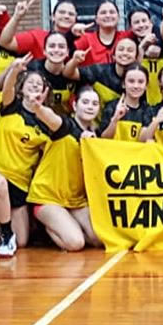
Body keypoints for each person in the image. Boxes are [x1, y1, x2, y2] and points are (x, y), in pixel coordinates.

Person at [0, 59, 60, 258]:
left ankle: (1, 226)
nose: (34, 86)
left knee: (22, 240)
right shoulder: (10, 106)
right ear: (21, 88)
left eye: (38, 84)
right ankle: (6, 236)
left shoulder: (46, 121)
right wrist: (15, 70)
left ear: (44, 92)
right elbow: (6, 88)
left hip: (21, 182)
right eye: (29, 83)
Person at [28, 84, 104, 251]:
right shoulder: (65, 126)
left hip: (74, 200)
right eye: (85, 102)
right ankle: (47, 228)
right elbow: (51, 118)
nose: (90, 107)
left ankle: (66, 221)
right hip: (48, 196)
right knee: (76, 243)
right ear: (75, 105)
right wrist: (39, 108)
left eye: (94, 104)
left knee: (99, 238)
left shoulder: (94, 135)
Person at [67, 35, 141, 107]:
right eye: (121, 49)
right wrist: (74, 61)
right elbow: (69, 74)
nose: (125, 53)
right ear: (113, 56)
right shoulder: (99, 71)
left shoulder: (140, 77)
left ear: (136, 57)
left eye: (130, 50)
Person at [0, 0, 82, 59]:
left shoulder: (85, 41)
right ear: (53, 16)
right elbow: (5, 42)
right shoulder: (37, 37)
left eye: (71, 14)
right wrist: (17, 17)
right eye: (62, 12)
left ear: (76, 19)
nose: (66, 16)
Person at [99, 65, 151, 141]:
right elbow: (103, 139)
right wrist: (115, 119)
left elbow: (143, 141)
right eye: (131, 81)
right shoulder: (111, 106)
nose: (136, 86)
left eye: (140, 82)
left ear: (146, 85)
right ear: (123, 84)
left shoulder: (148, 110)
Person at [127, 8, 163, 104]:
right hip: (140, 98)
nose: (141, 25)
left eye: (144, 21)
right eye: (136, 22)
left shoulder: (160, 35)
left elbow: (154, 51)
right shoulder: (129, 43)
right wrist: (142, 45)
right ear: (131, 27)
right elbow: (135, 68)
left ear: (150, 23)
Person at [74, 0, 131, 65]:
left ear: (118, 17)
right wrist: (71, 33)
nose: (108, 15)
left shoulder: (127, 37)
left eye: (112, 12)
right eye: (103, 12)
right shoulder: (85, 39)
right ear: (96, 19)